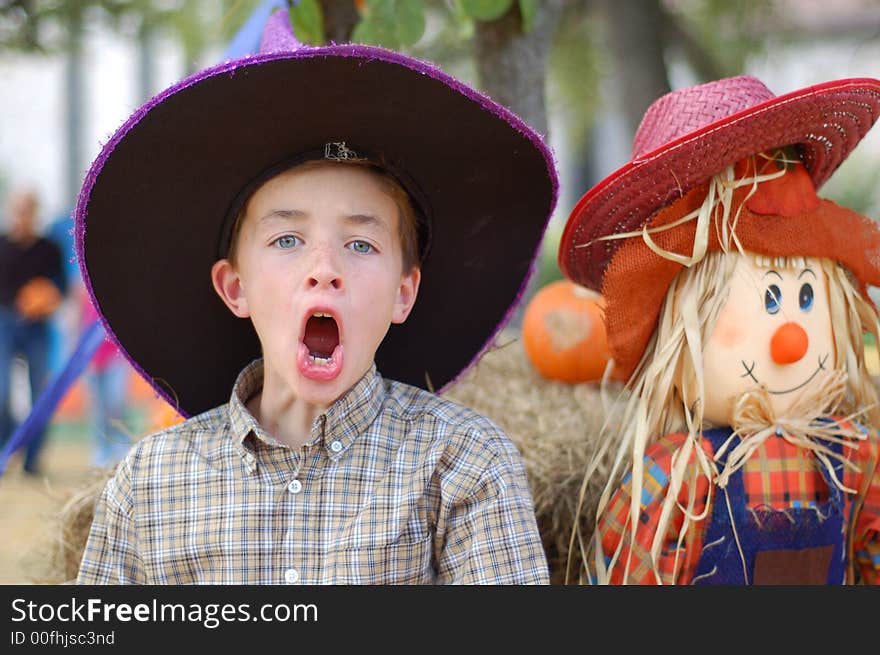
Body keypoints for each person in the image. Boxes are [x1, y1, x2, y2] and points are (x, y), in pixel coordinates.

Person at [75, 9, 556, 584]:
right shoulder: (150, 484)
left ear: (404, 294)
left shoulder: (464, 465)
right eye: (286, 239)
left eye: (359, 243)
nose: (324, 270)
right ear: (236, 287)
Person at [558, 75, 880, 584]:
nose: (792, 339)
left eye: (806, 297)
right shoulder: (684, 473)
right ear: (676, 340)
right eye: (771, 298)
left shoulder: (855, 455)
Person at [0, 188, 67, 474]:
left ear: (35, 213)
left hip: (38, 327)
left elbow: (61, 287)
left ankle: (32, 460)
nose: (22, 215)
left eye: (28, 209)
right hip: (4, 322)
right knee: (1, 391)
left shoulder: (49, 248)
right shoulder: (2, 245)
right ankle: (5, 448)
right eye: (18, 209)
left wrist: (47, 298)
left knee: (40, 392)